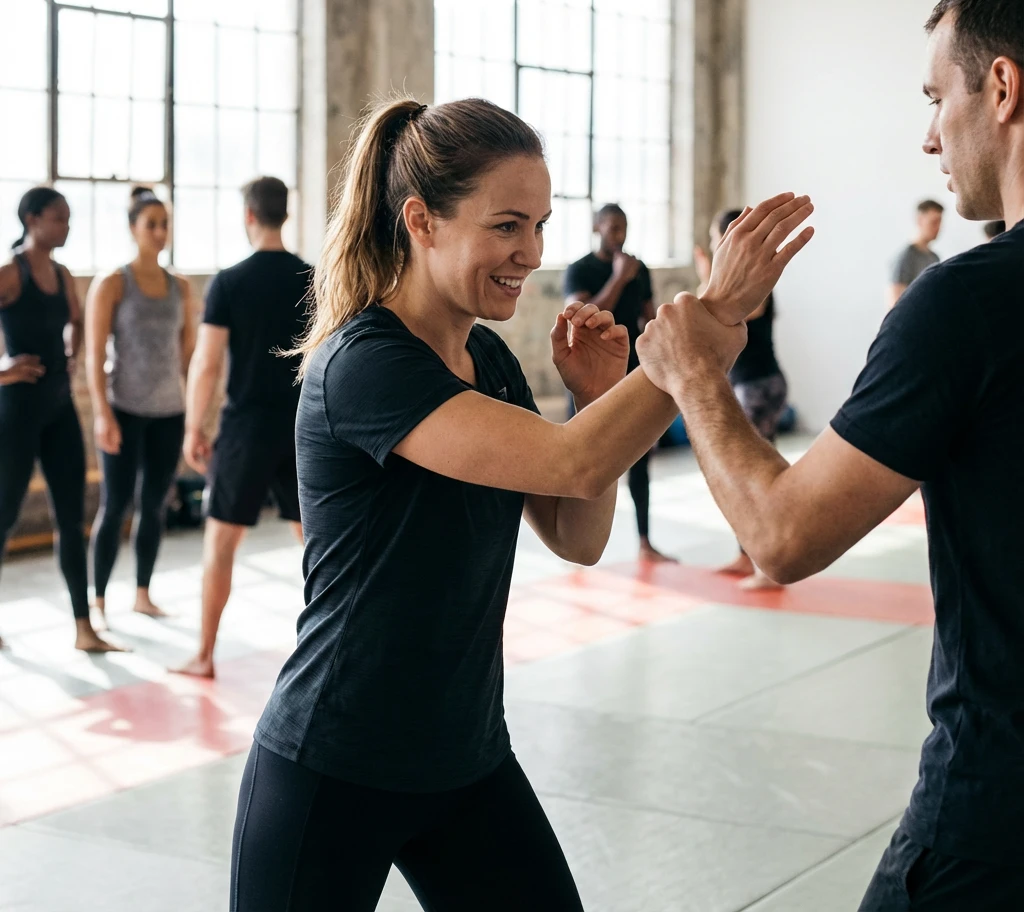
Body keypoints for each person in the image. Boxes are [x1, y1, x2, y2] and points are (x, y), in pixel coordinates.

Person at [231, 97, 813, 912]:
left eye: (539, 225)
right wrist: (708, 322)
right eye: (506, 226)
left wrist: (595, 398)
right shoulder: (366, 365)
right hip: (335, 759)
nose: (531, 253)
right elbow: (575, 467)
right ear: (421, 221)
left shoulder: (489, 358)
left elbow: (577, 532)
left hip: (464, 756)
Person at [636, 0, 1024, 910]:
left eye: (938, 96)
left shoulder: (970, 304)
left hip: (997, 818)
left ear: (1004, 87)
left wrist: (692, 372)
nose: (930, 135)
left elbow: (783, 535)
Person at [173, 177, 310, 679]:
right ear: (284, 214)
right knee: (317, 545)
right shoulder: (313, 278)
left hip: (246, 426)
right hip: (302, 428)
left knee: (220, 544)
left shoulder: (229, 282)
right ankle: (333, 651)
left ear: (248, 216)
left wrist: (194, 427)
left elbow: (206, 363)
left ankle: (205, 655)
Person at [0, 188, 121, 652]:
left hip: (58, 409)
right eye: (59, 219)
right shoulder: (12, 272)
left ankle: (83, 628)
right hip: (17, 413)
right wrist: (4, 370)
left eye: (69, 220)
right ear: (32, 220)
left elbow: (76, 318)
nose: (66, 227)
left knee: (71, 519)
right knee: (5, 516)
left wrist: (73, 352)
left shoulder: (64, 273)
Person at [85, 187, 195, 624]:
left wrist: (190, 412)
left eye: (164, 224)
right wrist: (101, 413)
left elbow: (187, 353)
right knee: (115, 506)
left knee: (154, 505)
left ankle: (143, 594)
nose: (159, 232)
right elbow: (94, 355)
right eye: (151, 224)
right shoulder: (113, 282)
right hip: (123, 411)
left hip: (168, 412)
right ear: (133, 228)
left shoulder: (180, 286)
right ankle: (96, 600)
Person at [564, 203, 666, 561]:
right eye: (612, 227)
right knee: (583, 457)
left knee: (639, 461)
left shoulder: (640, 269)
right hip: (588, 376)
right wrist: (618, 278)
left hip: (632, 373)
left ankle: (644, 541)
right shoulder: (580, 270)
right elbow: (584, 319)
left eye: (623, 227)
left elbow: (649, 318)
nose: (619, 234)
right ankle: (572, 543)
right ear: (597, 228)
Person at [695, 208, 789, 590]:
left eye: (720, 237)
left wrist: (708, 277)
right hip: (750, 383)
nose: (718, 245)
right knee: (745, 475)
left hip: (760, 384)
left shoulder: (754, 276)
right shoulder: (734, 278)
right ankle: (746, 555)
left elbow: (747, 309)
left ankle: (767, 565)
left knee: (755, 478)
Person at [888, 199, 944, 307]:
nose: (938, 228)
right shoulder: (906, 256)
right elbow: (895, 303)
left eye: (940, 222)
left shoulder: (934, 257)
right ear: (919, 220)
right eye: (934, 222)